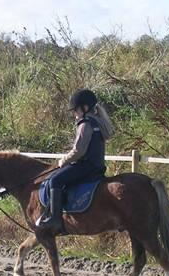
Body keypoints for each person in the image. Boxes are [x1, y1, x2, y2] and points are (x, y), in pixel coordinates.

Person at [37, 89, 115, 233]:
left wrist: (62, 161)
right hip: (97, 167)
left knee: (54, 180)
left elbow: (79, 151)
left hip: (85, 166)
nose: (74, 115)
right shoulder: (98, 122)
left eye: (75, 111)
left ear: (84, 108)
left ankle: (55, 219)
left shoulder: (85, 124)